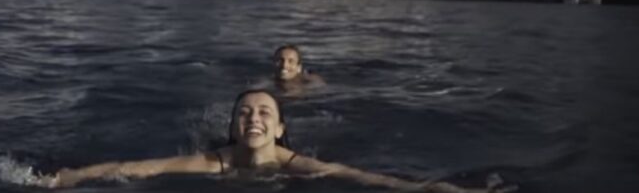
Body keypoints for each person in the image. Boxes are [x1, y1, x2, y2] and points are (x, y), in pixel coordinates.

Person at [39, 90, 513, 192]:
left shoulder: (295, 164)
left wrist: (427, 190)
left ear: (280, 128)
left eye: (265, 112)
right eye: (244, 112)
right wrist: (70, 177)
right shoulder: (213, 162)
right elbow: (141, 166)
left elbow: (362, 177)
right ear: (232, 127)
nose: (254, 118)